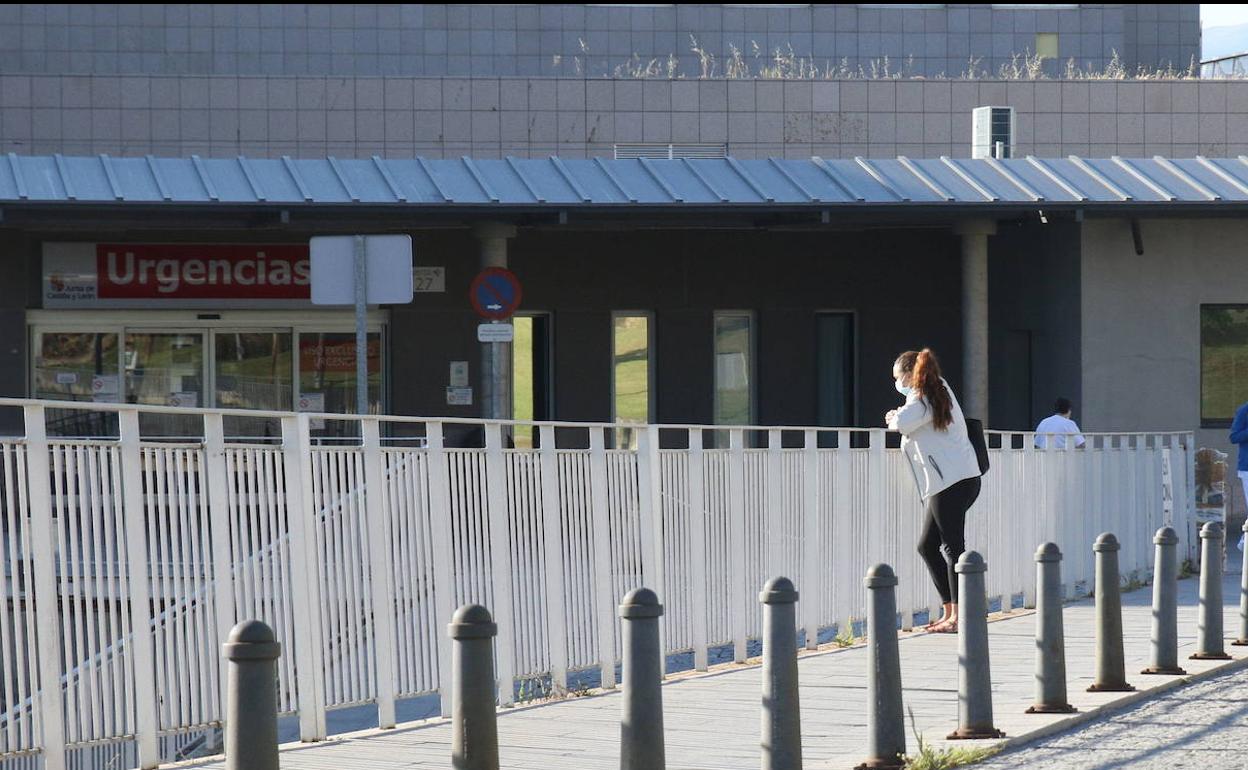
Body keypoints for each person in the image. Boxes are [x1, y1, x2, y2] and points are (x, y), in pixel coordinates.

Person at [885, 349, 982, 634]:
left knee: (953, 547)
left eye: (897, 378)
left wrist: (893, 416)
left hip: (950, 481)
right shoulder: (936, 391)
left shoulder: (923, 397)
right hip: (952, 480)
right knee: (927, 546)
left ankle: (960, 616)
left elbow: (902, 423)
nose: (896, 383)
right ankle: (950, 610)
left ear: (907, 374)